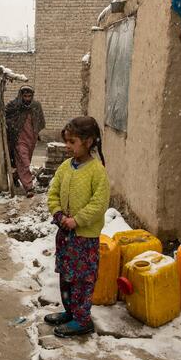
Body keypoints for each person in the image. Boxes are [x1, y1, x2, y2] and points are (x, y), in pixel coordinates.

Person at [46, 116, 110, 337]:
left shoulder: (96, 171)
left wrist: (77, 220)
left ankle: (83, 320)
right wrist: (58, 213)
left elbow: (99, 204)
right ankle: (71, 312)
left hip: (84, 238)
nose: (68, 146)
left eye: (72, 142)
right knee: (66, 275)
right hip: (65, 235)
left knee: (82, 279)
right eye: (67, 141)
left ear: (88, 141)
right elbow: (53, 192)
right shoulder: (65, 167)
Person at [5, 85, 46, 197]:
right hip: (18, 139)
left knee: (23, 161)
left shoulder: (36, 106)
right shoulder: (14, 106)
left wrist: (36, 132)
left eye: (29, 96)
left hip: (31, 139)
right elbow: (6, 116)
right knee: (24, 161)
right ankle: (29, 187)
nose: (27, 98)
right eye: (25, 96)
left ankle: (15, 177)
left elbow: (40, 121)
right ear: (21, 95)